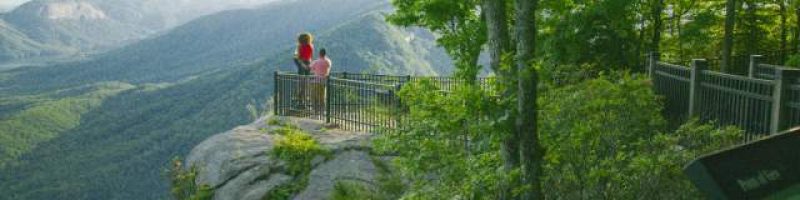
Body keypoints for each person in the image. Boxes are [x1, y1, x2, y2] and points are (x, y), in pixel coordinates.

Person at [293, 33, 314, 110]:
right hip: (308, 65)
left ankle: (301, 102)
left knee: (301, 84)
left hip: (302, 65)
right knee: (306, 84)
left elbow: (297, 57)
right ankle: (306, 102)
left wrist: (300, 63)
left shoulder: (300, 47)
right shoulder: (311, 46)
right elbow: (311, 56)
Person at [309, 48, 331, 115]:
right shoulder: (328, 61)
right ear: (325, 54)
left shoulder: (316, 61)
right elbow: (328, 68)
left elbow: (310, 68)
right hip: (324, 81)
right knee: (322, 97)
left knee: (314, 96)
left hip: (316, 80)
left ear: (319, 54)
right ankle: (322, 111)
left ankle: (315, 111)